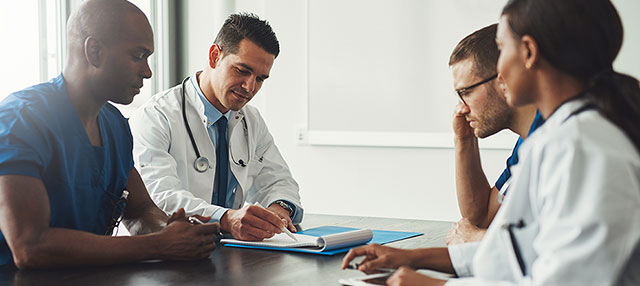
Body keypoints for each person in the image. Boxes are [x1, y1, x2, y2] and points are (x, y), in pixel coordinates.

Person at [342, 0, 640, 285]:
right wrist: (411, 257)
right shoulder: (560, 137)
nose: (499, 72)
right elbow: (519, 253)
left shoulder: (582, 146)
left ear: (528, 52)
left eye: (501, 48)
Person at [0, 0, 219, 269]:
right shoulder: (19, 119)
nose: (148, 72)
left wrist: (170, 230)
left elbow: (140, 211)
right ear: (94, 51)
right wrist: (159, 244)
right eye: (138, 56)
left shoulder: (115, 125)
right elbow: (29, 246)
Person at [129, 13, 303, 242]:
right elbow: (158, 199)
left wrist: (278, 210)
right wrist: (225, 218)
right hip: (170, 256)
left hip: (231, 253)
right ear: (214, 56)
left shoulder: (251, 121)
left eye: (260, 79)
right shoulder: (156, 116)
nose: (250, 87)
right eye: (242, 70)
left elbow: (279, 180)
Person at [447, 24, 543, 245]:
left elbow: (549, 246)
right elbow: (481, 218)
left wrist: (479, 238)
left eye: (466, 92)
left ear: (503, 79)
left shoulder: (552, 137)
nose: (461, 108)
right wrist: (463, 140)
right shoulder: (526, 141)